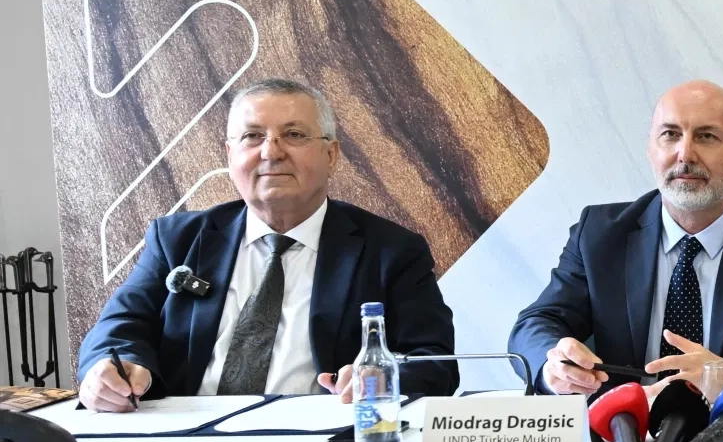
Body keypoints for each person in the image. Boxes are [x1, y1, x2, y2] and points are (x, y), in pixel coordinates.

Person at [77, 79, 458, 412]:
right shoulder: (177, 239)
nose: (271, 152)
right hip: (188, 438)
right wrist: (113, 368)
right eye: (252, 136)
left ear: (331, 155)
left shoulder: (391, 251)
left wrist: (383, 377)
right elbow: (118, 328)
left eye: (294, 135)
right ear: (230, 156)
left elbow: (435, 361)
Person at [510, 80, 723, 396]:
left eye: (706, 136)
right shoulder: (599, 234)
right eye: (670, 135)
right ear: (651, 148)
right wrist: (554, 365)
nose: (685, 154)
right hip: (622, 424)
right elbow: (537, 323)